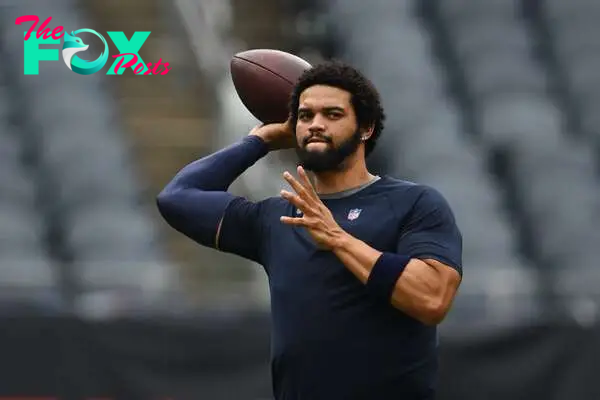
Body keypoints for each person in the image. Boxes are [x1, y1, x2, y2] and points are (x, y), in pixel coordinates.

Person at [156, 61, 463, 400]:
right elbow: (177, 197)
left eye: (332, 115)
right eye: (305, 116)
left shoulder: (413, 202)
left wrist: (338, 239)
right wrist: (259, 140)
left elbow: (432, 298)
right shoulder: (277, 218)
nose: (315, 124)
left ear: (366, 128)